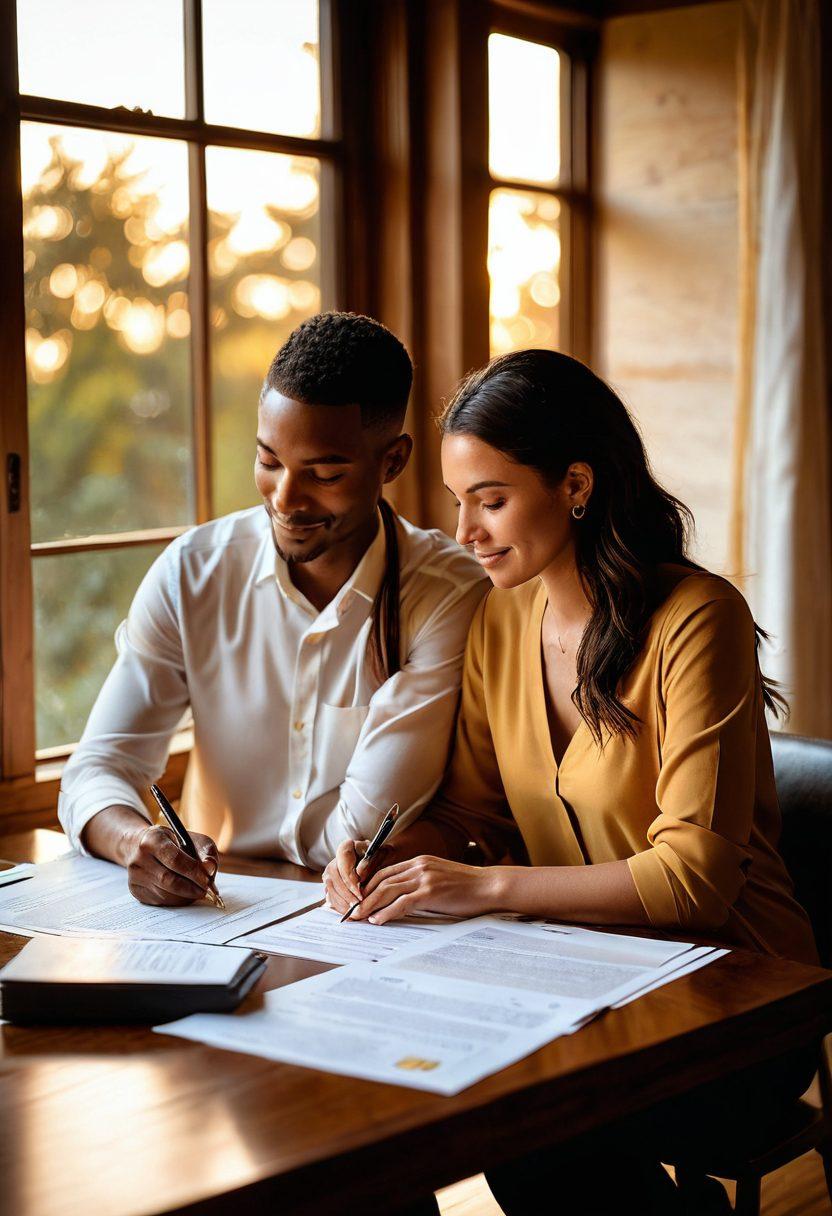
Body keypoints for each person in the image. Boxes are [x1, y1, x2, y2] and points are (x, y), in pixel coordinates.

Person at [324, 349, 818, 1215]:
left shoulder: (699, 620)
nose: (468, 531)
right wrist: (390, 855)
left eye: (493, 499)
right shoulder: (501, 619)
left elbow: (694, 882)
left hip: (738, 1002)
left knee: (530, 1120)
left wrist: (481, 887)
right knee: (431, 1097)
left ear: (577, 484)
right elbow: (473, 811)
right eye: (458, 503)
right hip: (582, 986)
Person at [58, 311, 486, 906]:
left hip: (354, 918)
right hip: (209, 911)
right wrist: (135, 841)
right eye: (269, 461)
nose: (286, 498)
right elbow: (95, 768)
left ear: (391, 462)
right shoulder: (193, 573)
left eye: (325, 472)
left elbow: (357, 835)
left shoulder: (446, 595)